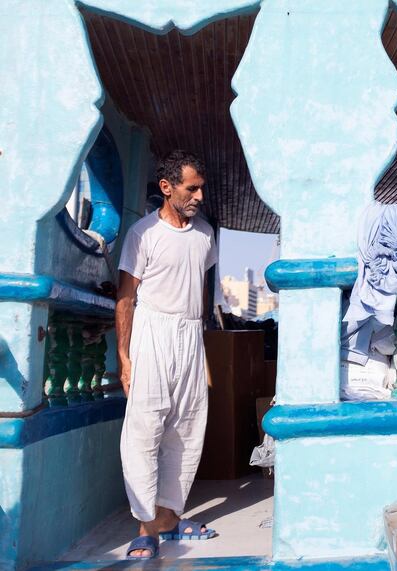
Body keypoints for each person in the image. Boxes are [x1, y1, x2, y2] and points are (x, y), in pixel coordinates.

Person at [116, 150, 218, 559]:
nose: (198, 196)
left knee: (188, 427)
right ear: (167, 187)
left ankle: (171, 518)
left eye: (201, 189)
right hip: (152, 331)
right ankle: (145, 526)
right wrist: (123, 358)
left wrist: (202, 334)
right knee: (145, 428)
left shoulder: (206, 234)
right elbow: (125, 298)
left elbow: (200, 284)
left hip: (191, 334)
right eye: (191, 188)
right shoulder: (143, 235)